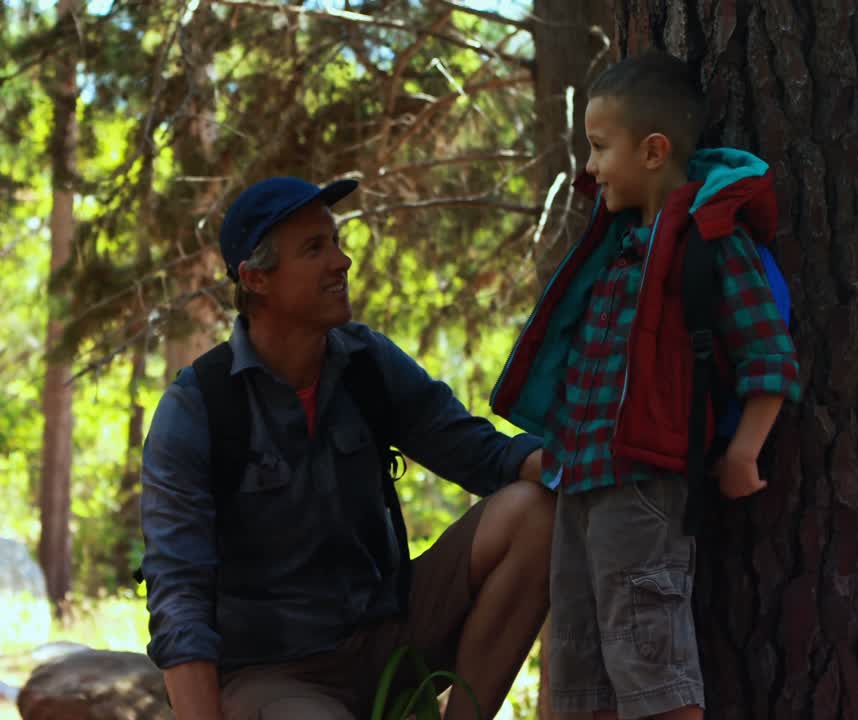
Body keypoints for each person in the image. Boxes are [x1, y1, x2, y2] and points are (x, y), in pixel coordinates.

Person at [139, 175, 556, 720]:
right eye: (315, 248)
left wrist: (589, 458)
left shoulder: (367, 363)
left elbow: (482, 455)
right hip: (274, 674)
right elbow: (179, 598)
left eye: (335, 242)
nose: (342, 262)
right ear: (257, 278)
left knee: (536, 510)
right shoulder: (198, 407)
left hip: (387, 635)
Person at [490, 51, 802, 720]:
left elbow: (767, 354)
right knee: (575, 667)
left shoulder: (711, 243)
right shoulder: (619, 250)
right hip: (579, 488)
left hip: (643, 489)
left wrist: (744, 450)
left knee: (647, 658)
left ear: (654, 150)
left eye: (601, 147)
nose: (591, 166)